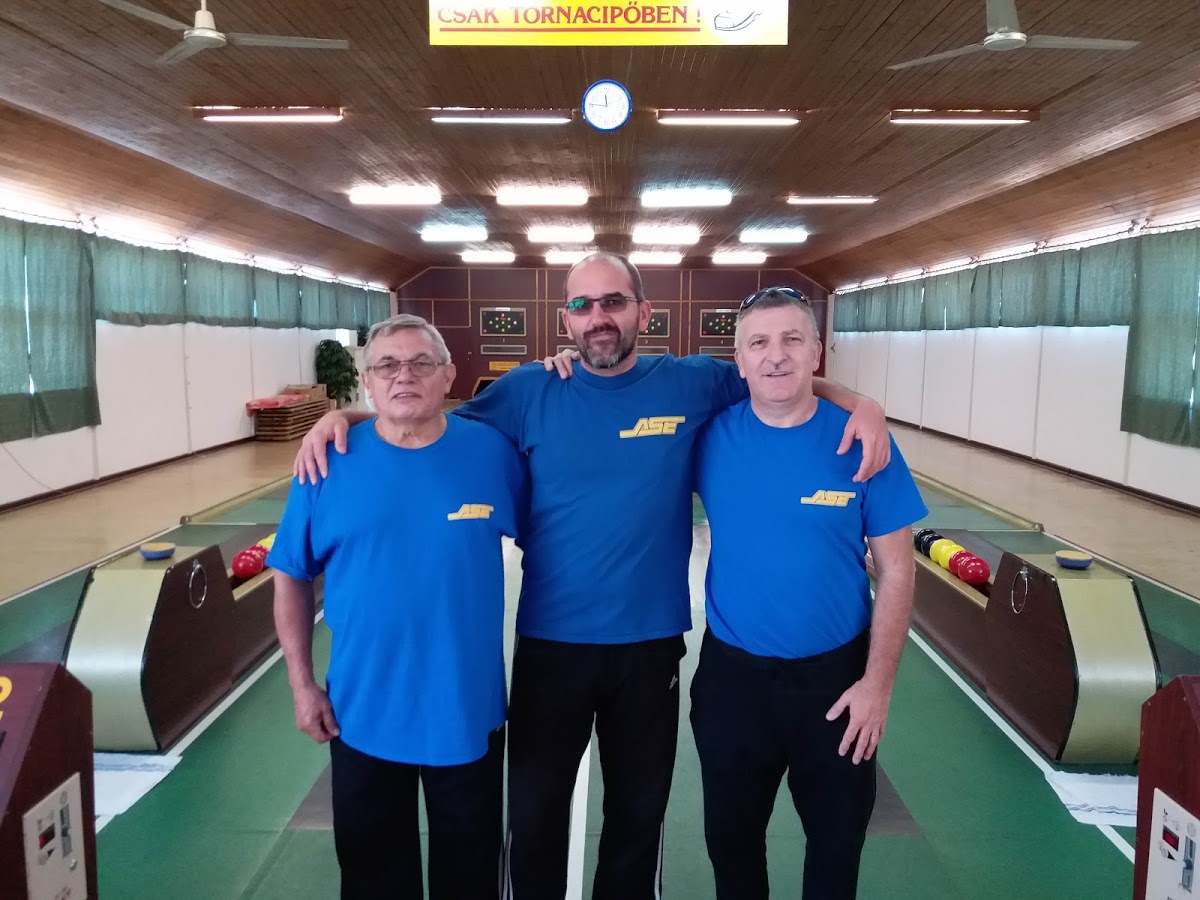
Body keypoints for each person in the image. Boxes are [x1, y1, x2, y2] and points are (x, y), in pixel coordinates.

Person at [294, 253, 891, 900]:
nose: (598, 316)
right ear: (566, 321)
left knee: (636, 822)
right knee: (534, 822)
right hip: (551, 648)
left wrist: (861, 403)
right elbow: (423, 416)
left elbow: (779, 375)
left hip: (649, 650)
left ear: (644, 312)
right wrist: (344, 418)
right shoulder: (528, 390)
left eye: (613, 302)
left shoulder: (689, 383)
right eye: (582, 305)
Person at [268, 314, 526, 899]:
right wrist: (301, 685)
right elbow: (290, 576)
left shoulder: (492, 454)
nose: (403, 375)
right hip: (361, 711)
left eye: (420, 363)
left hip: (466, 708)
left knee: (470, 876)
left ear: (448, 376)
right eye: (386, 365)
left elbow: (548, 540)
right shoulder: (325, 462)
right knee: (373, 876)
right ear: (366, 381)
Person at [690, 287, 926, 899]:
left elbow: (898, 570)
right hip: (733, 684)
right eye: (759, 343)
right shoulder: (708, 437)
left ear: (817, 352)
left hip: (836, 686)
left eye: (792, 339)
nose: (776, 355)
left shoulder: (865, 443)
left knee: (836, 853)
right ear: (739, 361)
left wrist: (877, 686)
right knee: (733, 852)